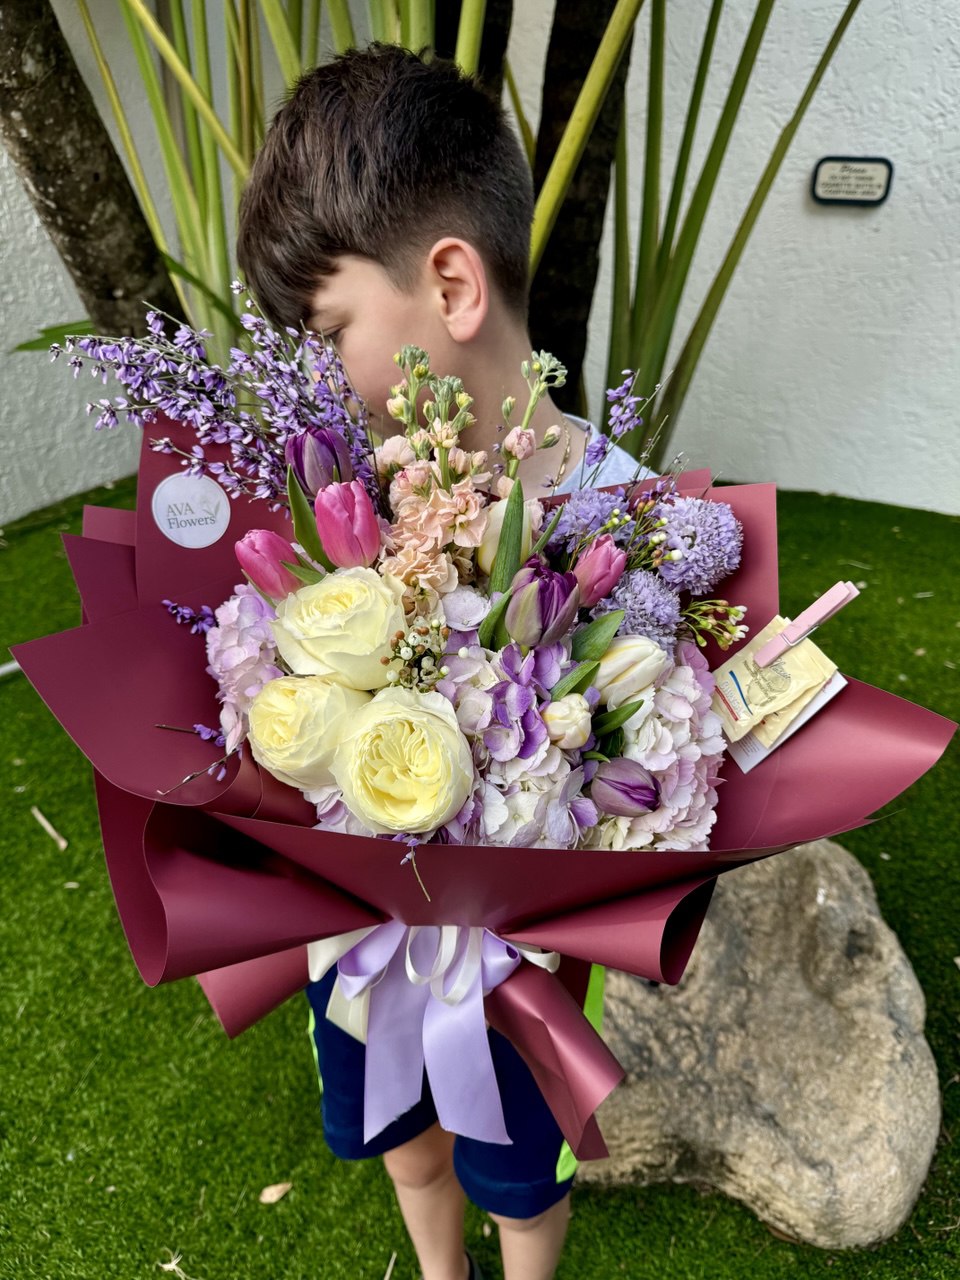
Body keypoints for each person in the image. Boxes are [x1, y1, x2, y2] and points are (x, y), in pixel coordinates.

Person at [237, 44, 636, 1280]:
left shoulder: (626, 524)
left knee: (520, 1165)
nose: (323, 374)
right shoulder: (347, 500)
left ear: (449, 285)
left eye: (332, 327)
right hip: (358, 936)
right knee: (406, 1142)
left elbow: (656, 774)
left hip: (525, 970)